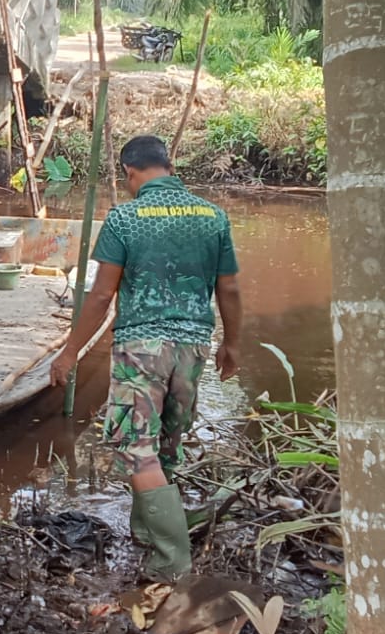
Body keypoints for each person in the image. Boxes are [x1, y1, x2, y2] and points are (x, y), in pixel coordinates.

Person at [51, 134, 243, 580]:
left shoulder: (124, 218)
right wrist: (232, 344)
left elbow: (102, 296)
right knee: (164, 446)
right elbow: (229, 288)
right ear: (170, 168)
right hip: (193, 347)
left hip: (141, 348)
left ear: (130, 173)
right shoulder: (213, 216)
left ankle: (172, 562)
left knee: (135, 448)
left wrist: (70, 351)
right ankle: (146, 529)